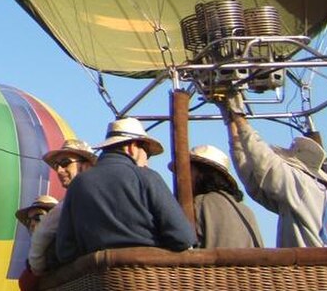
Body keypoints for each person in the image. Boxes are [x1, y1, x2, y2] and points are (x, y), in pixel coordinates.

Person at [54, 117, 196, 263]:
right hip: (150, 277)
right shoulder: (146, 177)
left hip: (97, 279)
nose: (147, 159)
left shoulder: (78, 184)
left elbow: (65, 250)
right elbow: (183, 238)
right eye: (147, 151)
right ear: (131, 147)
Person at [218, 100, 327, 247]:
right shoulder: (314, 196)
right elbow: (254, 180)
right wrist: (232, 122)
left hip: (308, 268)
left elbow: (266, 164)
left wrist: (239, 118)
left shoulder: (304, 186)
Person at [171, 144, 263, 249]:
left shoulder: (198, 204)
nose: (181, 178)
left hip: (211, 265)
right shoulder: (247, 211)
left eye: (189, 171)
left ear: (203, 173)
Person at [28, 139, 97, 274]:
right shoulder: (105, 193)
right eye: (56, 165)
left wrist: (36, 269)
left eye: (65, 163)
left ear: (86, 165)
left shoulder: (69, 202)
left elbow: (41, 236)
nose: (59, 170)